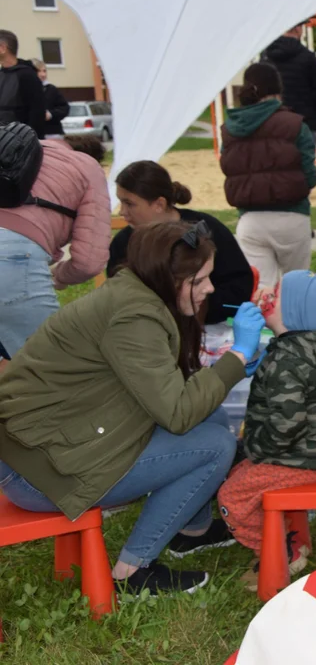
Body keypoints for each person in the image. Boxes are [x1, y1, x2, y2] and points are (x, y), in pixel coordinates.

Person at [0, 221, 267, 595]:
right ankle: (133, 572)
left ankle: (193, 530)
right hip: (41, 470)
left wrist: (231, 367)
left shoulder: (135, 293)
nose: (209, 288)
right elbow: (177, 413)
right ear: (169, 278)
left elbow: (162, 387)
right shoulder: (135, 317)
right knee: (215, 445)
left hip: (50, 444)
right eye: (200, 280)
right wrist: (236, 355)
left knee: (214, 415)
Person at [218, 270, 316, 589]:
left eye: (276, 292)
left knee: (231, 496)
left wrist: (255, 450)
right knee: (240, 474)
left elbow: (285, 426)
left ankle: (278, 552)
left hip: (300, 455)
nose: (266, 293)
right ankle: (284, 537)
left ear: (293, 314)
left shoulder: (288, 361)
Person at [0, 132, 110, 357]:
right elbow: (89, 261)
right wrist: (59, 275)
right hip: (12, 258)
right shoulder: (88, 167)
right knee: (56, 366)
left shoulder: (22, 146)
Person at [108, 161, 253, 324]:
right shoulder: (123, 243)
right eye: (121, 202)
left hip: (208, 328)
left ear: (159, 204)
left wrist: (195, 309)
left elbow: (238, 285)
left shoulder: (204, 229)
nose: (122, 212)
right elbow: (116, 294)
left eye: (129, 204)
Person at [220, 62, 316, 285]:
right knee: (298, 288)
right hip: (293, 216)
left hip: (250, 219)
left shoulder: (230, 129)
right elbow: (309, 176)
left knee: (263, 292)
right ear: (277, 90)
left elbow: (227, 167)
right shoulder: (294, 124)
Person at [261, 23, 316, 136]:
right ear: (298, 30)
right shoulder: (308, 57)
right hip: (304, 121)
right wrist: (312, 113)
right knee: (305, 153)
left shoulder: (266, 56)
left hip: (273, 119)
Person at [0, 30, 46, 138]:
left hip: (20, 144)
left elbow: (37, 113)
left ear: (2, 48)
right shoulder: (1, 74)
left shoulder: (27, 75)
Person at [31, 58, 69, 139]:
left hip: (52, 133)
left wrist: (51, 114)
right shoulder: (24, 90)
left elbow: (64, 108)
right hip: (32, 134)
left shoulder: (51, 89)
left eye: (44, 71)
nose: (43, 74)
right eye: (39, 71)